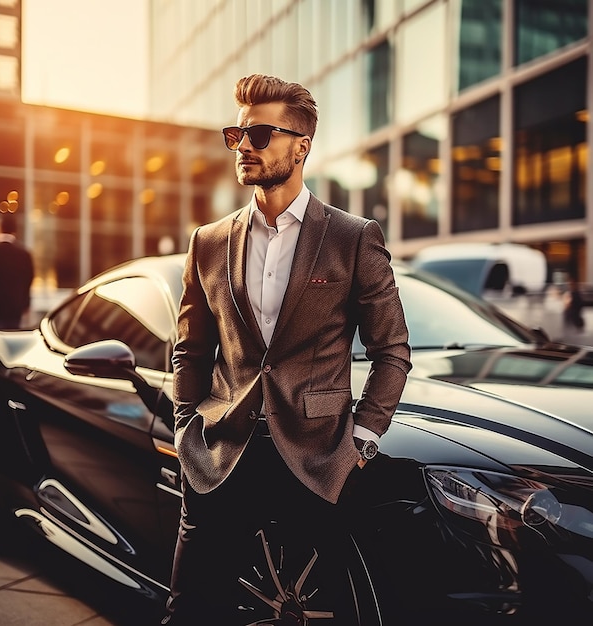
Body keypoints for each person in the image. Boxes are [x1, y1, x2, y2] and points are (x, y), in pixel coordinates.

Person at [162, 74, 411, 625]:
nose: (243, 147)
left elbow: (391, 349)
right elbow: (190, 347)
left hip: (317, 459)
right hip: (220, 455)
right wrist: (186, 423)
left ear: (302, 145)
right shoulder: (207, 241)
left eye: (259, 135)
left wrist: (363, 440)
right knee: (190, 612)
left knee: (334, 612)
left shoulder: (352, 237)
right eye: (236, 135)